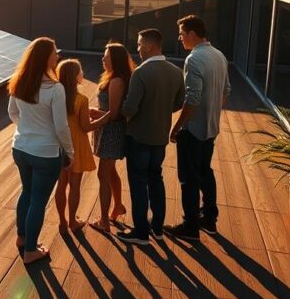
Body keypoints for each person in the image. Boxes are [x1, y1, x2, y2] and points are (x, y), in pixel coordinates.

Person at [165, 14, 232, 241]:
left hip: (193, 131)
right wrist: (213, 111)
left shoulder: (193, 60)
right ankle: (209, 219)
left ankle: (190, 226)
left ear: (192, 34)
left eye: (182, 34)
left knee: (188, 179)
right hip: (211, 128)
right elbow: (227, 90)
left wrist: (177, 127)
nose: (180, 38)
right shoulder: (219, 55)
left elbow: (191, 99)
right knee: (205, 172)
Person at [8, 37, 74, 264]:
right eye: (55, 52)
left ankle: (22, 238)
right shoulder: (55, 89)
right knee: (38, 199)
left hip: (20, 148)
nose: (58, 56)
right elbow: (61, 126)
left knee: (26, 192)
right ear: (46, 57)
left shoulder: (19, 80)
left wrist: (28, 130)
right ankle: (30, 251)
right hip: (46, 153)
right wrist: (70, 152)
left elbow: (13, 113)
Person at [116, 29, 184, 246]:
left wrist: (113, 114)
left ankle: (141, 233)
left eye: (138, 45)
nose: (137, 49)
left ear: (148, 46)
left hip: (138, 138)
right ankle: (157, 229)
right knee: (157, 180)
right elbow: (178, 103)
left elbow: (129, 109)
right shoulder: (176, 72)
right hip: (160, 139)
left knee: (138, 185)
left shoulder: (141, 73)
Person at [52, 58, 106, 232]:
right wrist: (106, 118)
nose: (82, 72)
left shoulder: (55, 95)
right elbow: (85, 126)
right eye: (80, 70)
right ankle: (72, 221)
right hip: (77, 145)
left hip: (59, 144)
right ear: (75, 76)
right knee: (75, 186)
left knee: (61, 184)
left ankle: (62, 222)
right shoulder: (81, 99)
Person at [90, 43, 136, 232]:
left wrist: (93, 112)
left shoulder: (117, 81)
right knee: (110, 171)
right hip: (106, 130)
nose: (103, 59)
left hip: (112, 132)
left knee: (103, 174)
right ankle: (117, 206)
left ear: (114, 60)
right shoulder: (112, 77)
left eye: (106, 56)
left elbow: (114, 113)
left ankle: (104, 221)